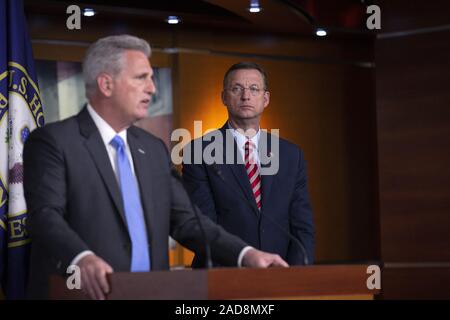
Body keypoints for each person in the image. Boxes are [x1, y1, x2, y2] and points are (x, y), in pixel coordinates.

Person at [23, 36, 288, 300]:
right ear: (106, 84)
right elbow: (45, 215)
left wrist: (247, 255)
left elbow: (186, 221)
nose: (152, 88)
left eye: (151, 78)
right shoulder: (54, 142)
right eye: (141, 78)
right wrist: (80, 257)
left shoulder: (153, 149)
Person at [182, 62, 315, 268]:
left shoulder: (290, 155)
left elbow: (302, 227)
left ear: (266, 99)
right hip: (223, 275)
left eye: (254, 89)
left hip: (281, 274)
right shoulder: (199, 152)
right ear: (224, 97)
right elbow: (203, 226)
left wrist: (295, 277)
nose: (246, 96)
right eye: (237, 89)